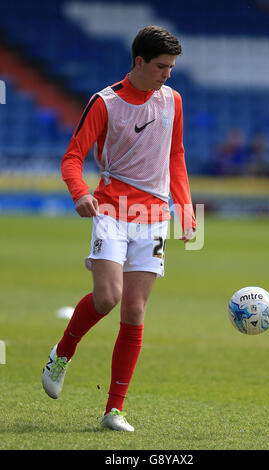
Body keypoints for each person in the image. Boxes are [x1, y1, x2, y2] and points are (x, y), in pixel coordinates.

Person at [42, 25, 196, 432]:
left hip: (154, 215)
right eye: (162, 66)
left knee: (134, 310)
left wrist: (186, 209)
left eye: (172, 68)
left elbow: (176, 155)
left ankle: (114, 410)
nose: (168, 74)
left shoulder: (173, 101)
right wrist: (79, 194)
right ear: (139, 62)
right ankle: (62, 351)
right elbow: (72, 158)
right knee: (108, 297)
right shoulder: (105, 103)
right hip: (111, 208)